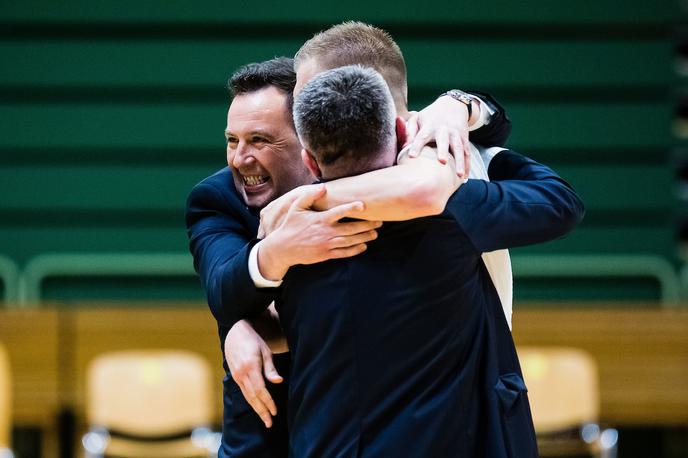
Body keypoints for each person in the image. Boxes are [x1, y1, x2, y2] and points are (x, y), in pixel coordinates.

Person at [186, 54, 512, 458]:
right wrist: (248, 302)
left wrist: (457, 104)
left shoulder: (392, 170)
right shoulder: (216, 198)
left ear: (307, 136)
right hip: (267, 426)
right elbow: (223, 285)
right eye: (232, 140)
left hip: (397, 425)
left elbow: (494, 124)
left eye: (261, 140)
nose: (239, 158)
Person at [262, 64, 583, 457]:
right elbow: (560, 200)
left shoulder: (282, 235)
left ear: (309, 161)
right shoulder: (453, 213)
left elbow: (265, 317)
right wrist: (462, 118)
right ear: (401, 132)